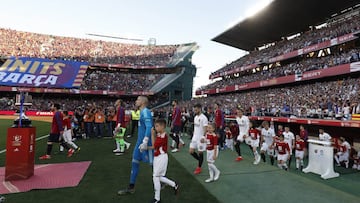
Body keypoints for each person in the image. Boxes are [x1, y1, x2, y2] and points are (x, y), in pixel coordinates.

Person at [118, 96, 154, 195]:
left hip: (146, 144)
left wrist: (145, 141)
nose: (136, 101)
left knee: (153, 165)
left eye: (138, 100)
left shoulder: (146, 111)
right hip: (139, 143)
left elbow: (149, 126)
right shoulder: (141, 112)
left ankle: (163, 182)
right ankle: (131, 187)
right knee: (135, 162)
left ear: (142, 102)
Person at [150, 119, 179, 203]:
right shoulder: (160, 134)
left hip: (161, 157)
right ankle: (174, 184)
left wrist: (152, 135)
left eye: (157, 126)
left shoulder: (163, 136)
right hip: (159, 157)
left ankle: (157, 198)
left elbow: (154, 146)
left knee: (155, 177)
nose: (155, 128)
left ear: (162, 126)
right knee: (158, 176)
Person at [189, 103, 208, 175]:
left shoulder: (204, 118)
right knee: (191, 151)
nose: (195, 111)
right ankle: (200, 161)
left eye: (196, 110)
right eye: (194, 110)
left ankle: (199, 167)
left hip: (201, 138)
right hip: (195, 137)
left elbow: (205, 128)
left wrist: (203, 137)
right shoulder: (195, 117)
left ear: (200, 109)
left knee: (200, 152)